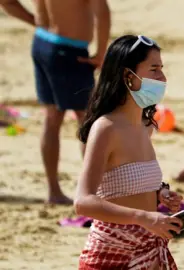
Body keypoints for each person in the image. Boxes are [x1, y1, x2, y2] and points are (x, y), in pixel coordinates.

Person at [75, 35, 183, 269]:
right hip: (112, 254)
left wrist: (160, 194)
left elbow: (125, 185)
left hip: (151, 250)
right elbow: (83, 202)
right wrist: (143, 217)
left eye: (162, 69)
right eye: (154, 69)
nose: (162, 78)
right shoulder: (106, 128)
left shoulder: (145, 127)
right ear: (128, 76)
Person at [0, 0, 111, 204]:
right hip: (69, 51)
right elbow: (102, 12)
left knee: (52, 119)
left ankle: (54, 191)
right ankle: (94, 192)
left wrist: (36, 21)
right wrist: (102, 52)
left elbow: (6, 2)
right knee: (87, 121)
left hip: (43, 42)